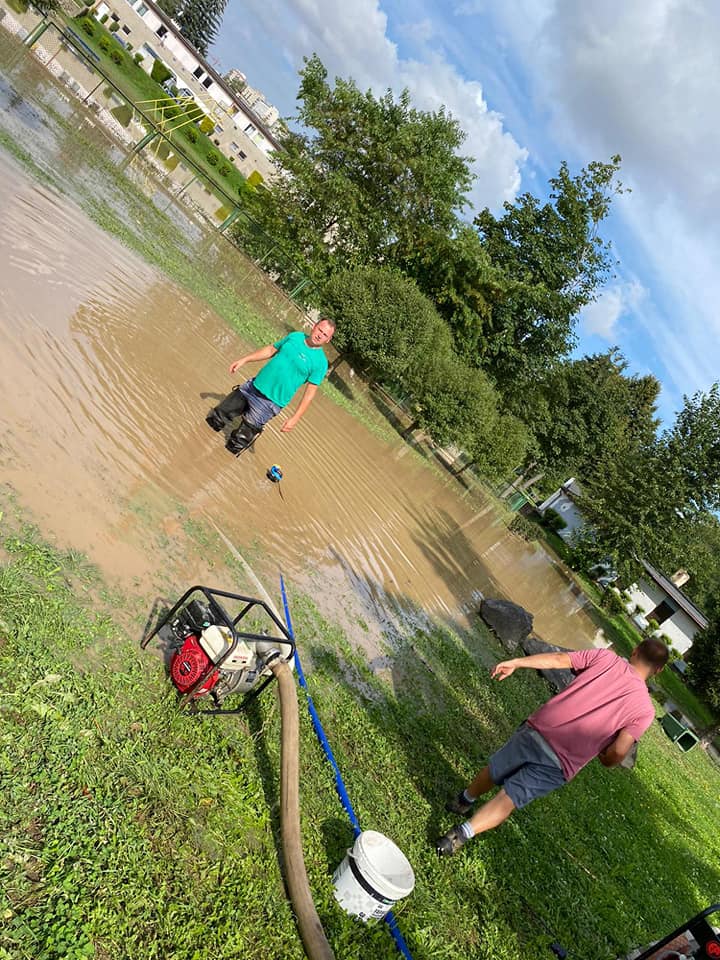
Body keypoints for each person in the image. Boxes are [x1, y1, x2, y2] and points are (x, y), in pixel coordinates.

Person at [436, 639, 669, 857]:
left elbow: (559, 659)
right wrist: (607, 760)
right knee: (510, 797)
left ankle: (464, 800)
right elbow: (619, 750)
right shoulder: (645, 710)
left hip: (540, 729)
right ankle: (460, 835)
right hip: (563, 762)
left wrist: (517, 662)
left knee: (496, 768)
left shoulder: (605, 658)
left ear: (635, 651)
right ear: (658, 671)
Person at [206, 318, 336, 455]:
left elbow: (309, 394)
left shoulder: (321, 363)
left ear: (328, 340)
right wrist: (244, 360)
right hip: (252, 387)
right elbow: (270, 350)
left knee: (237, 443)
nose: (320, 335)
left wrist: (295, 418)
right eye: (319, 330)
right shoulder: (295, 336)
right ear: (314, 326)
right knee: (216, 417)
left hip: (269, 404)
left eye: (325, 335)